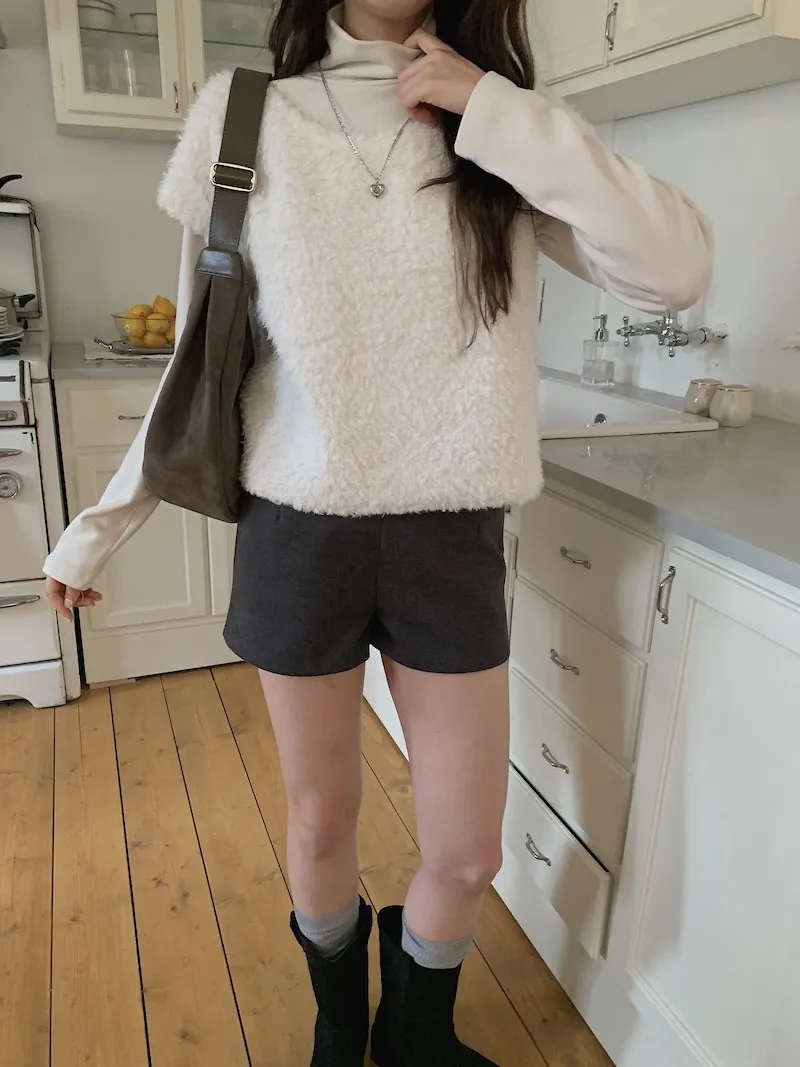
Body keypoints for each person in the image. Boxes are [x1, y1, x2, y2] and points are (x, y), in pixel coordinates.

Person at [44, 2, 713, 1064]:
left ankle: (414, 1036)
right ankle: (335, 1022)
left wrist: (491, 107)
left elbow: (674, 270)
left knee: (466, 850)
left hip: (451, 529)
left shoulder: (498, 125)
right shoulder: (241, 117)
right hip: (298, 529)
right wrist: (97, 530)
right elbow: (198, 364)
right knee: (319, 820)